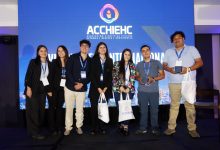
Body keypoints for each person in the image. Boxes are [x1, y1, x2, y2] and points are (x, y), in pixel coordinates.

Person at [163, 31, 203, 138]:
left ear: (183, 39)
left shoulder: (191, 49)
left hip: (188, 82)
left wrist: (188, 69)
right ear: (172, 41)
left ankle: (192, 129)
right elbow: (164, 65)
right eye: (174, 39)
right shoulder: (168, 51)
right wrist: (169, 69)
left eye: (179, 38)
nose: (176, 40)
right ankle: (171, 128)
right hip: (173, 82)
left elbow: (200, 62)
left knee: (189, 106)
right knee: (174, 106)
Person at [24, 45, 52, 140]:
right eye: (41, 51)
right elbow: (28, 76)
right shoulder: (33, 62)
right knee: (33, 112)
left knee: (41, 112)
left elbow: (47, 79)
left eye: (45, 51)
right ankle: (34, 133)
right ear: (38, 52)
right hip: (33, 89)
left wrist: (48, 90)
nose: (43, 52)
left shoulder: (49, 63)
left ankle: (37, 130)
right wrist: (28, 88)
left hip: (42, 90)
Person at [135, 45, 165, 136]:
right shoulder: (139, 64)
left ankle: (154, 128)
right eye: (143, 51)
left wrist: (154, 78)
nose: (145, 52)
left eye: (147, 50)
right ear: (141, 53)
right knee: (143, 111)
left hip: (154, 91)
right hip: (142, 91)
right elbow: (136, 75)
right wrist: (138, 78)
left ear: (150, 51)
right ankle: (142, 128)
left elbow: (163, 75)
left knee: (154, 111)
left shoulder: (157, 63)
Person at [64, 39, 91, 135]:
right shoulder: (73, 57)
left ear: (89, 48)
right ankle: (68, 127)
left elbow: (90, 76)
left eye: (86, 46)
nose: (84, 47)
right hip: (70, 87)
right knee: (69, 109)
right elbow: (68, 72)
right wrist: (75, 83)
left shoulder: (90, 61)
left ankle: (79, 126)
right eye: (83, 45)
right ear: (80, 47)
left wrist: (82, 84)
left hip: (82, 89)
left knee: (80, 109)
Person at [89, 42, 113, 135]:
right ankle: (94, 128)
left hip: (106, 89)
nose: (103, 49)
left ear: (106, 49)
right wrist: (98, 88)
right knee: (94, 109)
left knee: (103, 109)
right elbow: (91, 75)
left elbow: (110, 76)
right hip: (95, 89)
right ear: (98, 49)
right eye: (100, 47)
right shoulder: (93, 60)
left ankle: (102, 127)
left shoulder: (110, 60)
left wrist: (106, 87)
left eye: (104, 47)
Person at [112, 48, 136, 136]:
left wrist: (128, 88)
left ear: (130, 56)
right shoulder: (117, 63)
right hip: (118, 89)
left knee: (127, 108)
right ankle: (121, 124)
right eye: (125, 54)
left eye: (129, 54)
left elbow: (133, 78)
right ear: (122, 55)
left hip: (129, 90)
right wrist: (120, 87)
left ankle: (126, 126)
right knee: (120, 108)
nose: (127, 56)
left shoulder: (132, 65)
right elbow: (114, 76)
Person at [49, 45, 69, 135]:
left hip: (64, 89)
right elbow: (49, 76)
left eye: (62, 50)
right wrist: (49, 89)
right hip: (54, 89)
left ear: (65, 51)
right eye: (58, 51)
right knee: (53, 108)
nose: (60, 52)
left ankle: (59, 127)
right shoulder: (54, 62)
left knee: (60, 109)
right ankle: (53, 129)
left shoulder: (69, 61)